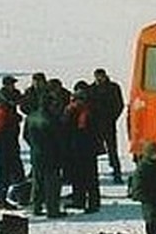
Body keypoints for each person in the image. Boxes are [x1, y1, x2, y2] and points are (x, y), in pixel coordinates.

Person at [23, 91, 66, 218]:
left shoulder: (31, 116)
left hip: (36, 154)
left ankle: (36, 207)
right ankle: (53, 210)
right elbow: (59, 140)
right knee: (52, 185)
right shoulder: (53, 120)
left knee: (38, 183)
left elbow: (25, 136)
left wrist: (34, 146)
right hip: (51, 156)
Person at [63, 81, 101, 213]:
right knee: (88, 176)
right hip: (88, 148)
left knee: (81, 176)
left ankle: (84, 201)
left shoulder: (74, 110)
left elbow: (66, 128)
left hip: (78, 147)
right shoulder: (93, 109)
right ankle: (89, 201)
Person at [0, 77, 23, 210]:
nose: (13, 86)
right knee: (2, 172)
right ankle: (1, 199)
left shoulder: (9, 100)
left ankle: (9, 196)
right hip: (3, 143)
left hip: (9, 142)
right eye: (11, 84)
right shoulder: (2, 106)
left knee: (13, 170)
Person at [90, 68, 125, 184]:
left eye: (101, 76)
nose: (99, 79)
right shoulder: (92, 89)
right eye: (97, 77)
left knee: (112, 151)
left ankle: (117, 173)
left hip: (109, 124)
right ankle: (94, 174)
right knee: (94, 151)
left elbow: (119, 104)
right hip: (95, 126)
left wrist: (112, 117)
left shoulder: (113, 88)